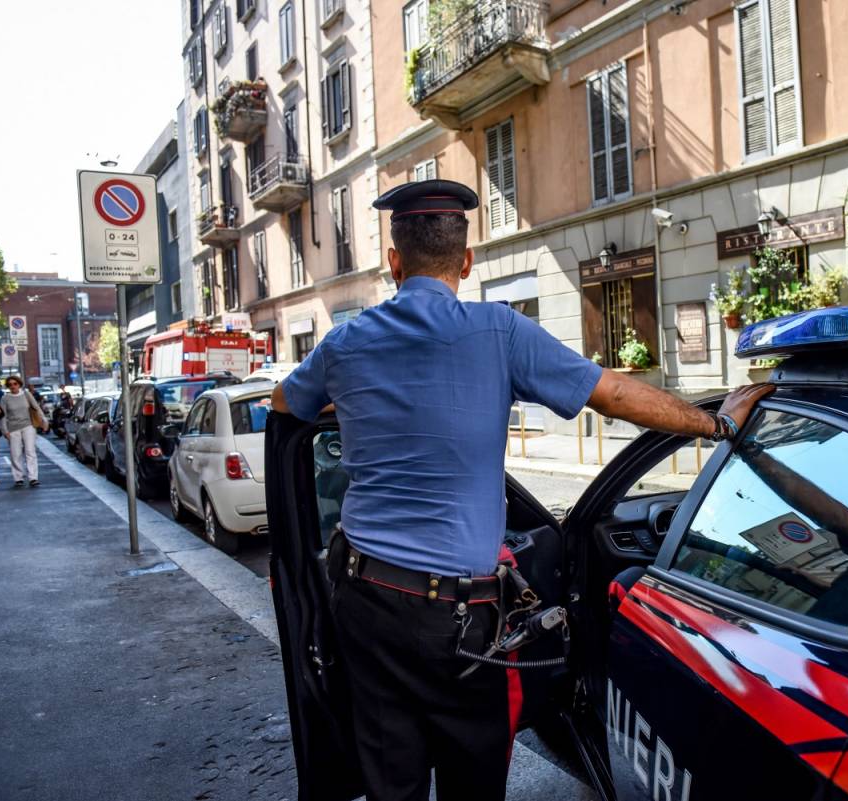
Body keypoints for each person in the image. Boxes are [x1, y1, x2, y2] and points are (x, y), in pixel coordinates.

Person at [271, 179, 774, 801]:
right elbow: (614, 394)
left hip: (365, 599)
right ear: (466, 260)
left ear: (393, 262)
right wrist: (717, 422)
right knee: (472, 775)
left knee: (387, 774)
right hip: (460, 616)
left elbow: (284, 406)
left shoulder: (345, 342)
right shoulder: (500, 331)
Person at [0, 374, 45, 488]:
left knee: (30, 451)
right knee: (16, 453)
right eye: (10, 385)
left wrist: (44, 421)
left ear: (19, 384)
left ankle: (33, 477)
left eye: (15, 384)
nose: (13, 386)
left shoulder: (26, 394)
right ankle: (18, 477)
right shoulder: (5, 398)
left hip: (28, 425)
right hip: (13, 428)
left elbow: (36, 407)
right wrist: (5, 431)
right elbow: (2, 416)